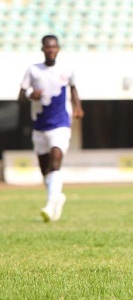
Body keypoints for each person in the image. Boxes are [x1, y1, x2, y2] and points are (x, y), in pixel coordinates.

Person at [18, 35, 84, 222]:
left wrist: (78, 106)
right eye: (48, 47)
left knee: (56, 159)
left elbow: (73, 88)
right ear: (43, 49)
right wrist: (31, 95)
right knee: (45, 170)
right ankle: (57, 198)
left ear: (58, 49)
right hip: (40, 125)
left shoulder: (66, 69)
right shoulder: (33, 70)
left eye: (54, 47)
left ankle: (49, 205)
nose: (51, 50)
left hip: (60, 123)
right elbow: (21, 95)